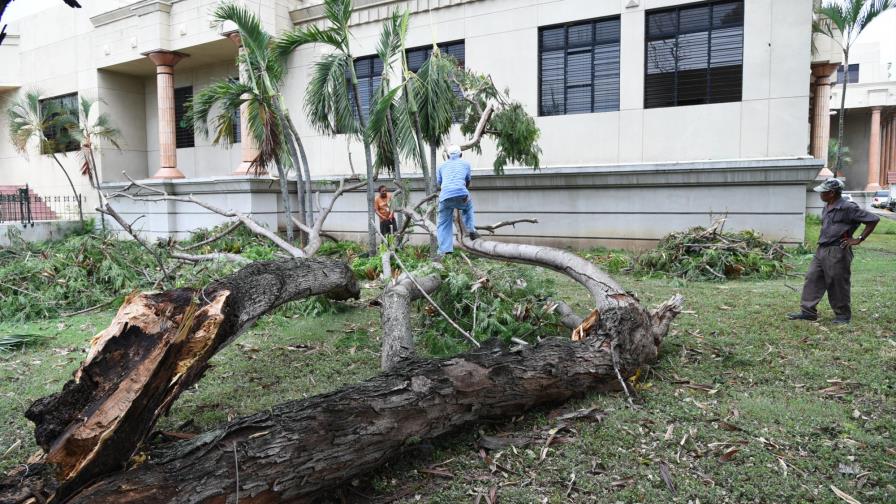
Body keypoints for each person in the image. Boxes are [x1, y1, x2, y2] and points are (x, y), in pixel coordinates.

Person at [787, 178, 878, 324]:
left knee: (837, 283)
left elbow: (873, 219)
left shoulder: (848, 207)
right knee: (812, 278)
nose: (820, 194)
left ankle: (842, 316)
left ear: (832, 192)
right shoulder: (827, 206)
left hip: (838, 250)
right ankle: (808, 312)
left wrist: (859, 239)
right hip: (822, 249)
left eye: (823, 192)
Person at [436, 144, 480, 256]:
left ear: (448, 155)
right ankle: (471, 230)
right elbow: (468, 180)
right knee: (468, 208)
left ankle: (445, 250)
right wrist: (463, 191)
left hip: (445, 197)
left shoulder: (441, 166)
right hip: (462, 195)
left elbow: (440, 183)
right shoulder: (466, 164)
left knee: (443, 223)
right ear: (461, 154)